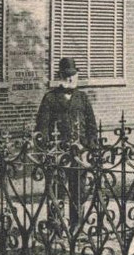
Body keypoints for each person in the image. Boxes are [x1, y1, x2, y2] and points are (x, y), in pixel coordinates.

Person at [35, 57, 97, 230]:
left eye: (73, 75)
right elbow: (42, 127)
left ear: (77, 76)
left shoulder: (82, 98)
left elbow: (91, 125)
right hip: (58, 152)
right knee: (57, 190)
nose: (70, 79)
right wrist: (47, 149)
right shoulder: (50, 98)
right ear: (60, 76)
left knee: (78, 191)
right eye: (66, 75)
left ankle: (76, 226)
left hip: (79, 152)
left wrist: (89, 147)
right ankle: (56, 225)